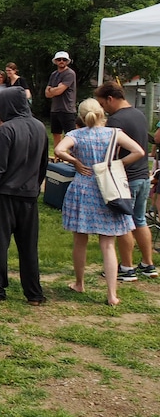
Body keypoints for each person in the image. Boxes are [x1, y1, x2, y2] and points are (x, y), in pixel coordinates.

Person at [56, 97, 147, 306]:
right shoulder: (114, 133)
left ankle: (79, 283)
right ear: (101, 113)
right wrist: (116, 164)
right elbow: (139, 152)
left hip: (83, 189)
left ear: (81, 115)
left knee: (80, 240)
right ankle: (112, 294)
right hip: (108, 190)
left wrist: (75, 161)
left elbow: (59, 150)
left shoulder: (76, 135)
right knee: (108, 244)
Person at [0, 87, 48, 304]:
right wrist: (34, 187)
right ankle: (34, 293)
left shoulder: (6, 130)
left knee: (0, 246)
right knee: (29, 246)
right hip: (29, 195)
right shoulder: (40, 127)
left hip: (4, 196)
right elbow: (43, 164)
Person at [95, 81, 157, 280]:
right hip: (143, 177)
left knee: (123, 223)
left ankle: (127, 267)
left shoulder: (116, 120)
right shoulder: (139, 114)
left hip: (126, 179)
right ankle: (148, 264)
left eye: (103, 104)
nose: (103, 109)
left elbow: (112, 151)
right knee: (140, 220)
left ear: (110, 99)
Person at [45, 51, 77, 145]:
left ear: (67, 61)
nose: (61, 61)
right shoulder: (53, 74)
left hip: (67, 109)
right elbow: (47, 93)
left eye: (64, 59)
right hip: (55, 109)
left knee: (70, 136)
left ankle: (71, 157)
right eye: (59, 59)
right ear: (55, 61)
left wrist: (53, 90)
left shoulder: (70, 73)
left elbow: (59, 90)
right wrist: (55, 90)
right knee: (56, 134)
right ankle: (57, 157)